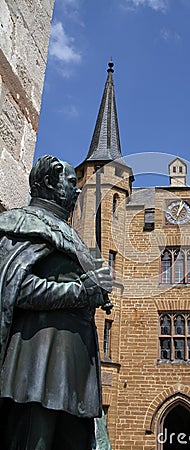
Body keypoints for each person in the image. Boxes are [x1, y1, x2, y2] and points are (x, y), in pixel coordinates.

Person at [0, 155, 113, 450]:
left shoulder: (69, 234)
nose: (77, 191)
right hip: (36, 362)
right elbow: (15, 287)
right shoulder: (21, 223)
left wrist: (97, 290)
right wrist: (79, 293)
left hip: (77, 368)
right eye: (71, 183)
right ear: (50, 182)